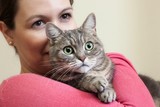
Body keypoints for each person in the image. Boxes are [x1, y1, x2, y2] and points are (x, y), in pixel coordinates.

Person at [0, 0, 155, 107]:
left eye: (65, 15)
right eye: (38, 23)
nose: (60, 31)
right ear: (8, 33)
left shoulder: (113, 62)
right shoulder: (15, 91)